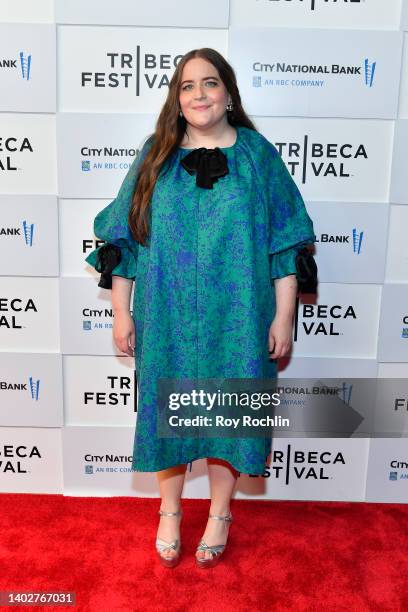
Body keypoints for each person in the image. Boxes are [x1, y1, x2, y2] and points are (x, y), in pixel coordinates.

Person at [85, 48, 316, 569]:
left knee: (229, 416)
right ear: (177, 98)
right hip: (166, 315)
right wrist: (122, 312)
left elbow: (284, 243)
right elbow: (126, 238)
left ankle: (219, 513)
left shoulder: (258, 156)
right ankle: (169, 512)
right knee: (170, 414)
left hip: (239, 314)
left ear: (228, 93)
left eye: (209, 83)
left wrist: (283, 316)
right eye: (187, 86)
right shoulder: (156, 154)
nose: (199, 94)